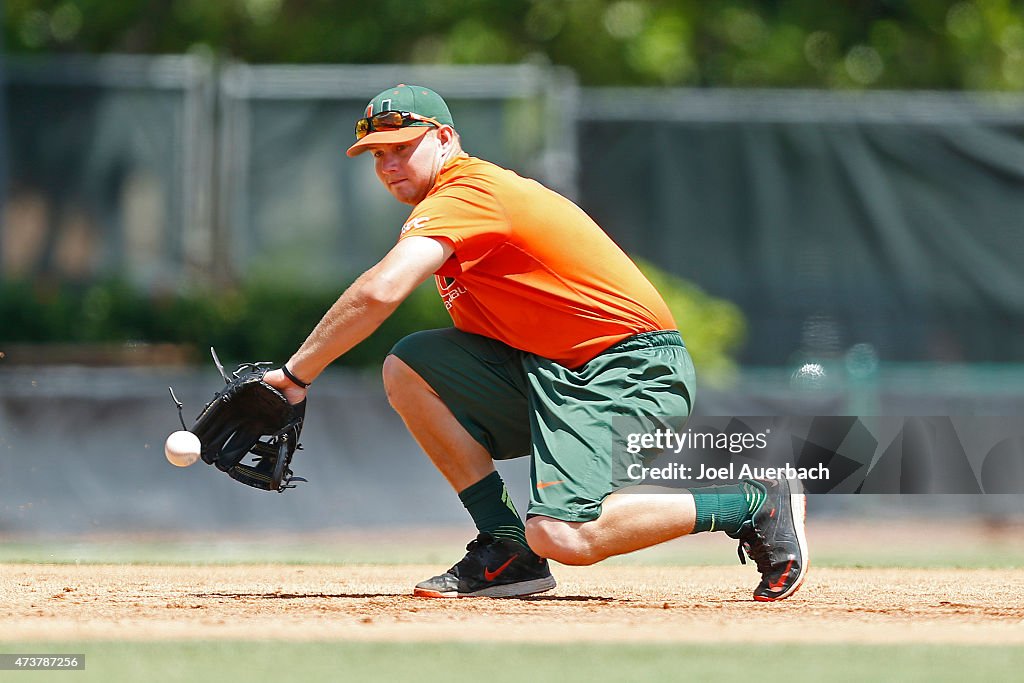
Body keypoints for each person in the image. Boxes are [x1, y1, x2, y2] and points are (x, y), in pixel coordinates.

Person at [264, 84, 807, 601]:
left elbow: (382, 290)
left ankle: (753, 504)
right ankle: (508, 549)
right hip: (556, 373)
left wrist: (293, 377)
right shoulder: (454, 206)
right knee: (412, 367)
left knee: (563, 535)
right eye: (376, 155)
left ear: (446, 139)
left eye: (402, 148)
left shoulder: (468, 191)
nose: (387, 166)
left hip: (630, 370)